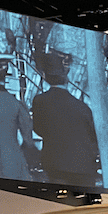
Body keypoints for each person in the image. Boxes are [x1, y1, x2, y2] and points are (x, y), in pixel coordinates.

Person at [31, 50, 101, 187]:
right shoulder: (83, 107)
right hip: (85, 168)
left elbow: (38, 129)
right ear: (66, 78)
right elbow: (94, 137)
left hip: (57, 166)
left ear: (45, 76)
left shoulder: (40, 101)